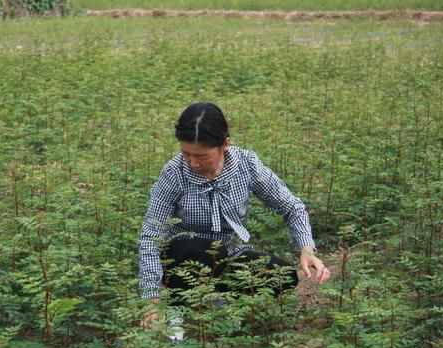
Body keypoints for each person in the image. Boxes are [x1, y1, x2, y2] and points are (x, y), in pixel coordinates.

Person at [139, 102, 329, 327]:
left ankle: (220, 302)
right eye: (185, 153)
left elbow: (291, 206)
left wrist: (306, 248)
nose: (192, 162)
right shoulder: (174, 173)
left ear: (225, 144)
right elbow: (152, 234)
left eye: (202, 156)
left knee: (283, 275)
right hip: (183, 255)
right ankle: (176, 309)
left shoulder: (245, 164)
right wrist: (151, 298)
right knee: (206, 249)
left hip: (230, 252)